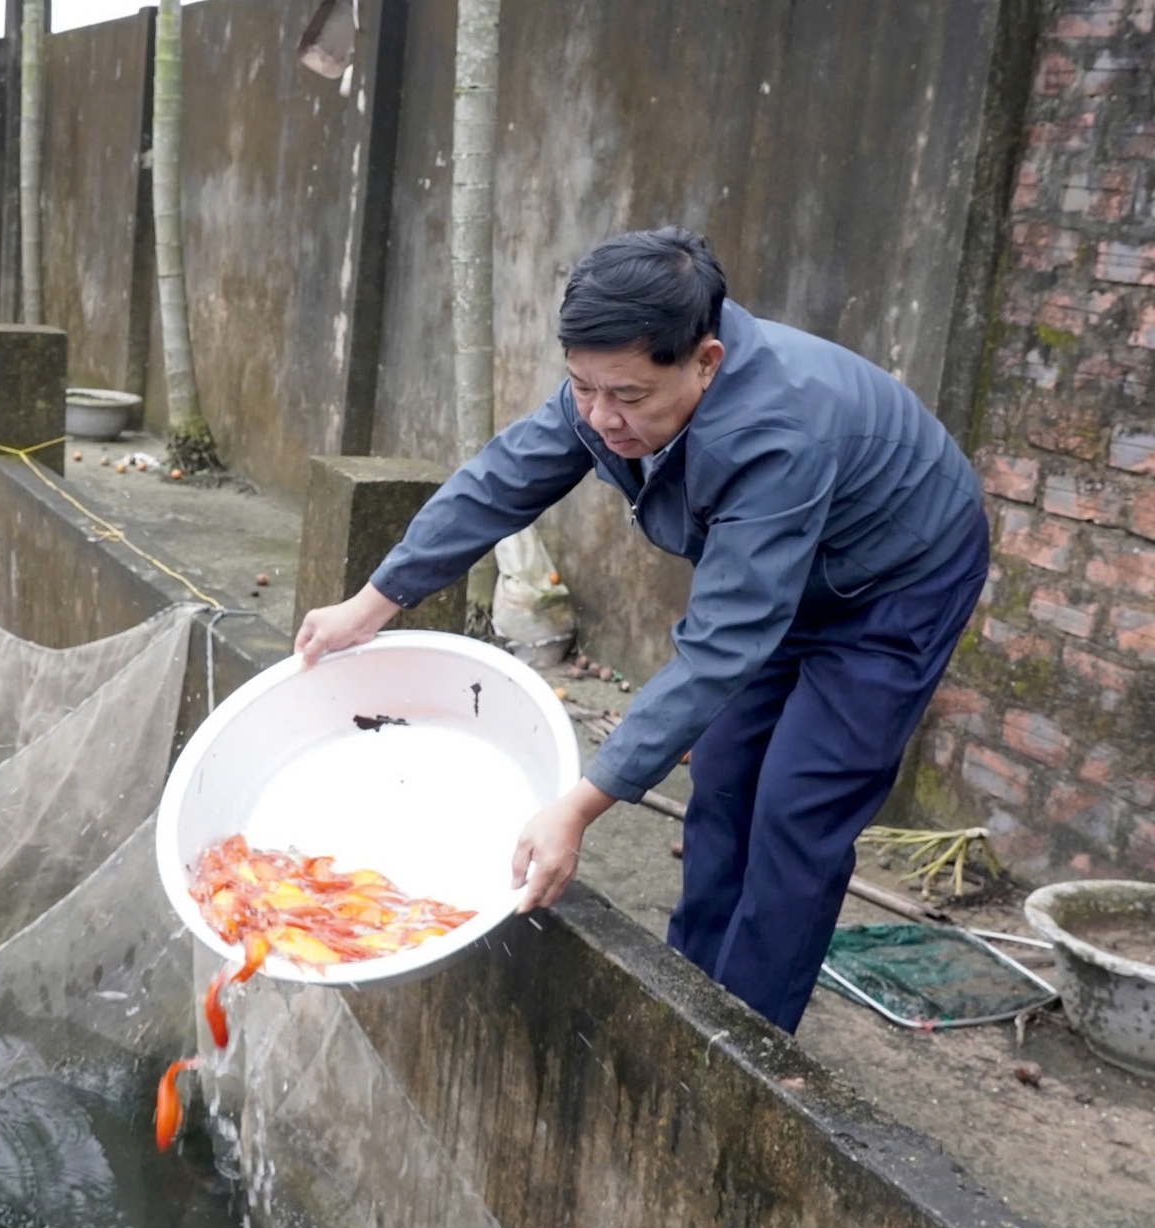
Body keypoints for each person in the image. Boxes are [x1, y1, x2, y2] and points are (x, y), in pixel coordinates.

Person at [293, 227, 989, 1032]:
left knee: (799, 806)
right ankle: (690, 996)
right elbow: (501, 480)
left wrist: (579, 806)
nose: (600, 417)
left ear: (707, 361)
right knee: (722, 776)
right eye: (582, 387)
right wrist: (372, 601)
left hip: (898, 579)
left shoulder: (778, 432)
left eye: (627, 396)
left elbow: (722, 645)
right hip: (786, 570)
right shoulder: (610, 385)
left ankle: (744, 1042)